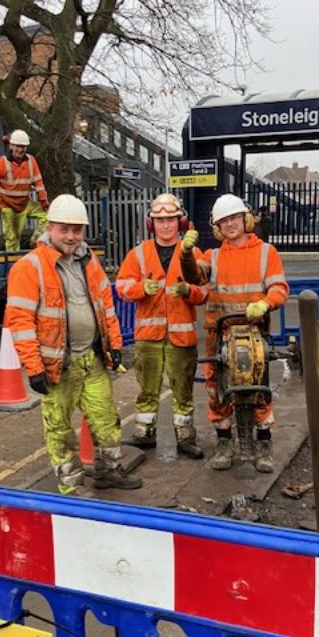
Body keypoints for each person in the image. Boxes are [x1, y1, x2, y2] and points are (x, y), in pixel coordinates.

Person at [5, 194, 142, 497]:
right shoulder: (30, 267)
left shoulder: (88, 259)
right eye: (64, 229)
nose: (70, 236)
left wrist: (114, 344)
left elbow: (105, 304)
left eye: (76, 230)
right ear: (49, 228)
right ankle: (71, 485)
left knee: (106, 419)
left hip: (91, 359)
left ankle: (108, 471)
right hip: (58, 367)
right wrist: (34, 368)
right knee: (60, 428)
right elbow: (20, 322)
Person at [180, 194, 289, 473]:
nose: (229, 224)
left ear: (245, 218)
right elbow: (195, 275)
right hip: (219, 334)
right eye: (223, 221)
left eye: (233, 218)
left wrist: (266, 303)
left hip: (255, 332)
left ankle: (263, 445)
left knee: (259, 389)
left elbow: (279, 288)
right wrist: (186, 254)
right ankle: (225, 443)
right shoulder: (213, 256)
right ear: (217, 227)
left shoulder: (266, 253)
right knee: (217, 390)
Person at [115, 193, 208, 458]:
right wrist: (140, 289)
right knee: (147, 389)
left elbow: (204, 292)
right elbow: (121, 287)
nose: (165, 225)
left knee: (183, 391)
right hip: (149, 336)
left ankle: (185, 437)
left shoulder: (193, 253)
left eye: (171, 220)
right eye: (160, 220)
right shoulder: (138, 254)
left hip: (182, 337)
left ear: (181, 222)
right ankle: (144, 433)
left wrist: (188, 291)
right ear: (151, 223)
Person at [0, 129, 49, 252]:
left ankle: (35, 242)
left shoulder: (31, 161)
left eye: (23, 147)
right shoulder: (2, 162)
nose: (20, 150)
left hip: (24, 203)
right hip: (8, 206)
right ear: (11, 146)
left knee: (48, 216)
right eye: (18, 146)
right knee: (12, 238)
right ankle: (13, 260)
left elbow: (38, 182)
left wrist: (43, 199)